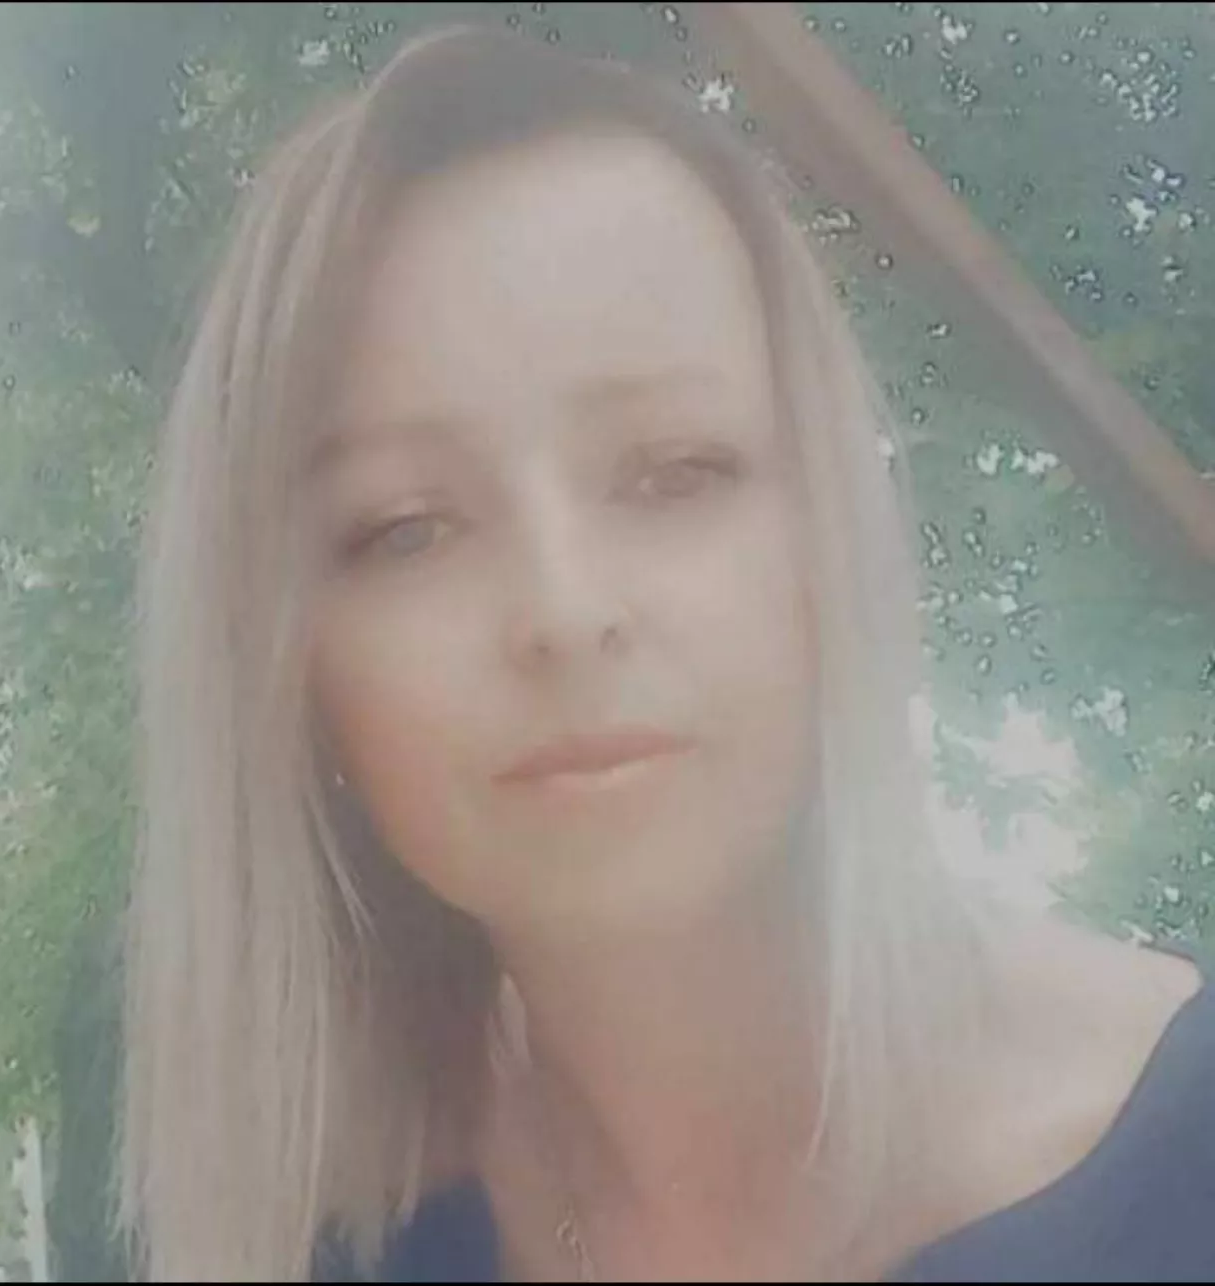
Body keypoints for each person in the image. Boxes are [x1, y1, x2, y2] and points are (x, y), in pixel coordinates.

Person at [117, 21, 1213, 1283]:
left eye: (674, 470)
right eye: (406, 526)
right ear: (290, 673)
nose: (563, 606)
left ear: (826, 536)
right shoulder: (339, 1243)